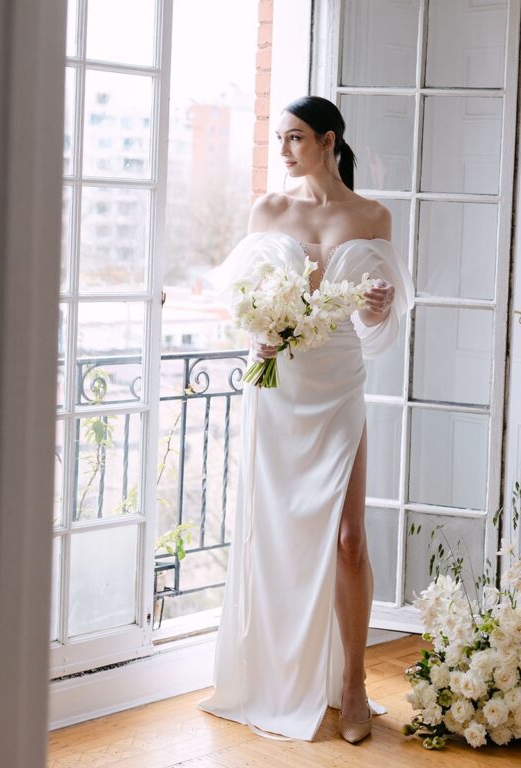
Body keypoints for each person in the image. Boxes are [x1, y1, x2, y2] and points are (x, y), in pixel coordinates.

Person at [197, 95, 415, 743]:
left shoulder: (372, 215)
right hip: (278, 384)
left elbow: (376, 318)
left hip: (337, 381)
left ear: (327, 140)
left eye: (294, 138)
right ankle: (272, 676)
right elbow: (240, 298)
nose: (284, 150)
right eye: (278, 139)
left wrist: (374, 303)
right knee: (273, 532)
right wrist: (257, 336)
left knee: (349, 537)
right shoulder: (269, 209)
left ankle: (352, 686)